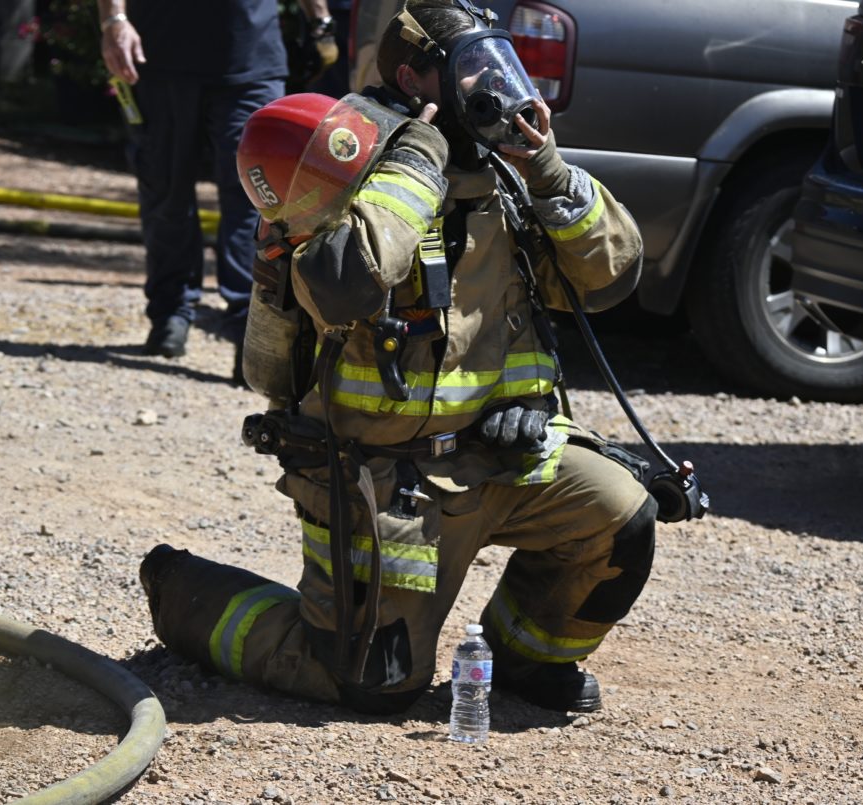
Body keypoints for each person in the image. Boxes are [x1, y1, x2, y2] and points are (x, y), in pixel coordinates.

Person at [138, 0, 658, 716]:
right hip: (385, 483)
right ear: (414, 79)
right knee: (368, 685)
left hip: (497, 458)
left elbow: (610, 279)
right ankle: (183, 593)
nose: (493, 84)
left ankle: (529, 659)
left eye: (498, 61)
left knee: (621, 514)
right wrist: (417, 161)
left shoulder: (509, 176)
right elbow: (340, 284)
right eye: (471, 68)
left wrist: (546, 170)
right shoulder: (344, 163)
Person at [98, 0, 287, 381]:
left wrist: (321, 22)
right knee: (166, 192)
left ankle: (252, 330)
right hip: (159, 54)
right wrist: (114, 21)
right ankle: (170, 312)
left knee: (257, 198)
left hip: (250, 54)